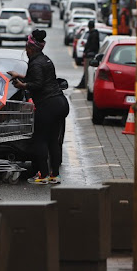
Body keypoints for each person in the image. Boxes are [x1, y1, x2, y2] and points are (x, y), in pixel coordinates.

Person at [8, 29, 69, 185]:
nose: (26, 51)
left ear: (32, 48)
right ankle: (54, 175)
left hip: (48, 105)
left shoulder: (35, 62)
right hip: (60, 103)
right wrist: (20, 75)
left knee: (40, 140)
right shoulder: (45, 60)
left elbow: (37, 84)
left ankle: (42, 175)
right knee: (53, 141)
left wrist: (22, 85)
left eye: (27, 48)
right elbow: (42, 79)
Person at [75, 20, 99, 89]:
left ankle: (84, 84)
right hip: (90, 54)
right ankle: (83, 84)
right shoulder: (93, 33)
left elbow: (93, 45)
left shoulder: (93, 34)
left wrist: (87, 52)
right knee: (86, 71)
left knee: (87, 71)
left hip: (90, 55)